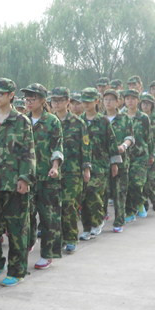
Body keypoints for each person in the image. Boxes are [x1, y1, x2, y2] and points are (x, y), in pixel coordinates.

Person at [0, 78, 36, 287]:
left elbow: (29, 152)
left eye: (0, 94)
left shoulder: (22, 121)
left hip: (15, 185)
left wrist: (25, 178)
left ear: (11, 96)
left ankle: (17, 270)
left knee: (17, 230)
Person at [22, 84, 63, 269]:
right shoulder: (22, 120)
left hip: (47, 177)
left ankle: (47, 254)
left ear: (42, 100)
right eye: (27, 99)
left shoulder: (52, 121)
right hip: (27, 177)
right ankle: (28, 244)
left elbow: (57, 146)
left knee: (47, 217)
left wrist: (55, 167)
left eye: (33, 99)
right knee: (26, 215)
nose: (29, 103)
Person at [50, 87, 91, 253]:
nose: (57, 103)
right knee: (54, 206)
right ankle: (58, 238)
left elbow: (86, 148)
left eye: (60, 100)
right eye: (54, 100)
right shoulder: (50, 122)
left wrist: (86, 168)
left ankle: (71, 237)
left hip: (73, 171)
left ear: (68, 101)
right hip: (53, 171)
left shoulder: (78, 123)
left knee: (69, 205)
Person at [79, 88, 120, 241]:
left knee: (93, 194)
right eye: (84, 101)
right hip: (83, 165)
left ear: (96, 102)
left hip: (100, 165)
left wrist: (114, 163)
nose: (86, 104)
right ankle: (87, 227)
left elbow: (112, 142)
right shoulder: (79, 120)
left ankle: (97, 223)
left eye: (89, 101)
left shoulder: (103, 121)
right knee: (83, 197)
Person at [102, 89, 134, 233]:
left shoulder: (125, 118)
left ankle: (119, 221)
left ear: (117, 102)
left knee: (119, 192)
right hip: (101, 162)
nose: (108, 102)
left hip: (121, 161)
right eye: (106, 99)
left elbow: (130, 137)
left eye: (111, 99)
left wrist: (124, 145)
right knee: (102, 191)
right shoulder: (99, 119)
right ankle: (102, 216)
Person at [123, 88, 152, 221]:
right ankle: (130, 212)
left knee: (136, 183)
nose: (130, 101)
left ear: (138, 101)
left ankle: (140, 203)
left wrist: (151, 154)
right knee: (127, 184)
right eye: (127, 99)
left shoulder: (143, 118)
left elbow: (148, 137)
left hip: (140, 156)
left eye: (133, 99)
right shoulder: (121, 116)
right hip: (125, 155)